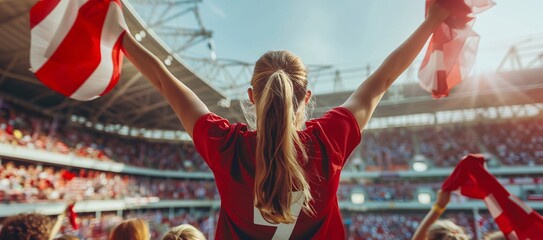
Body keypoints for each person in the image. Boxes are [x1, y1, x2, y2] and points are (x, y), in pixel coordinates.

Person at [122, 2, 450, 239]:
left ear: (252, 97)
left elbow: (164, 80)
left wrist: (119, 34)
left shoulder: (227, 147)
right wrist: (432, 22)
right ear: (306, 98)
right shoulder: (328, 140)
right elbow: (383, 79)